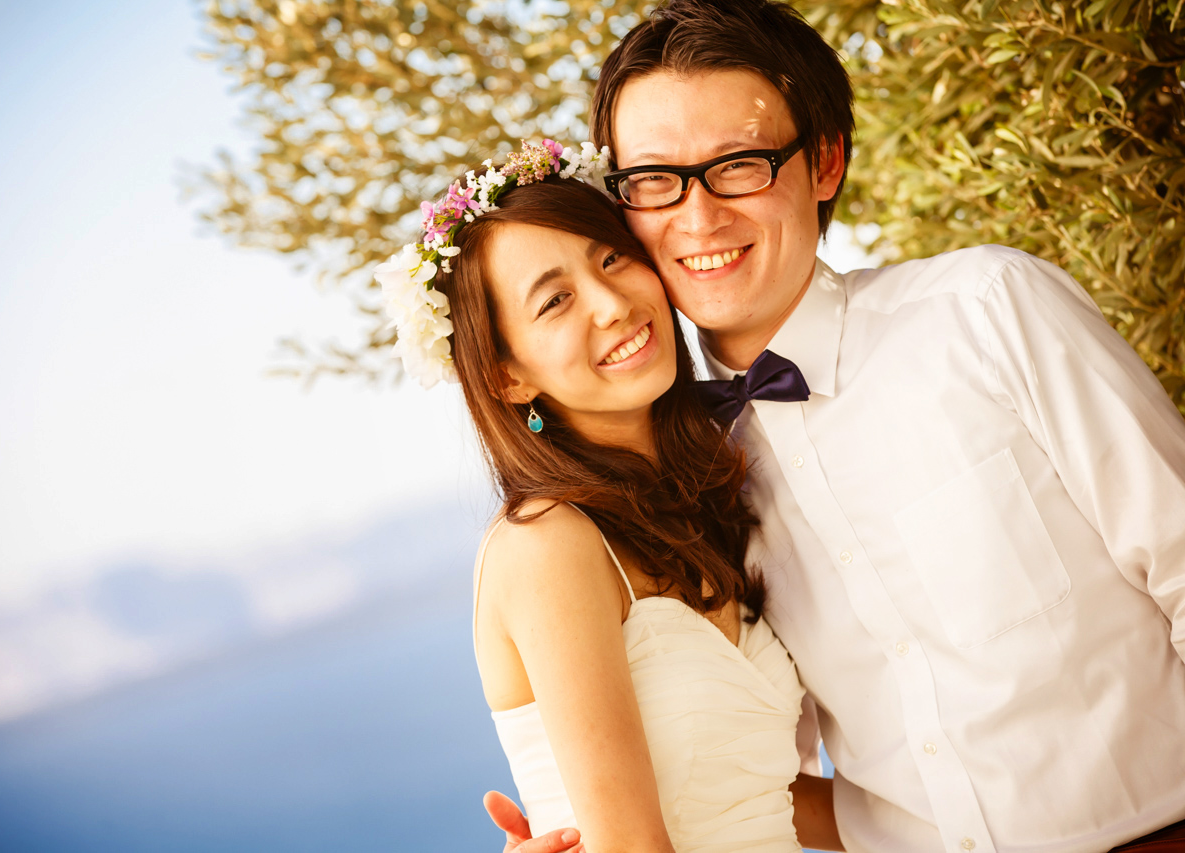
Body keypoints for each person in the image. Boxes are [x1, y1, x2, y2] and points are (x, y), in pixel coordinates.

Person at [489, 1, 1185, 852]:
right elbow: (751, 783)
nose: (698, 217)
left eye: (739, 164)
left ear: (824, 163)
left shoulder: (987, 313)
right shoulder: (702, 485)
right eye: (656, 180)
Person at [375, 142, 842, 851]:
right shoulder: (547, 543)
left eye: (612, 257)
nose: (612, 303)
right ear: (507, 377)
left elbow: (764, 797)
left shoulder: (701, 503)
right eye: (555, 300)